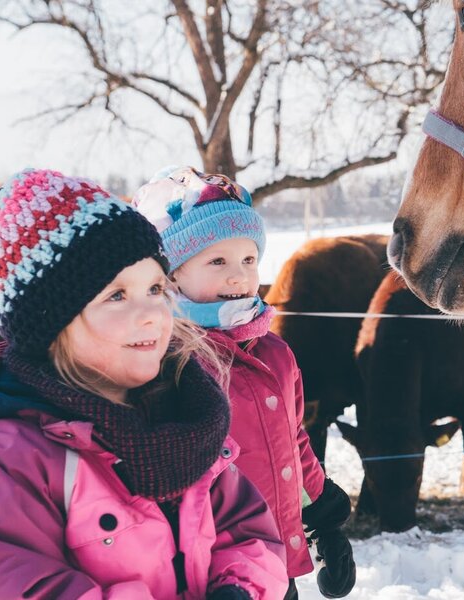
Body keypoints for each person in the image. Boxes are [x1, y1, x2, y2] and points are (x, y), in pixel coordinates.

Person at [0, 168, 289, 599]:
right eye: (116, 295)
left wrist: (239, 587)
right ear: (50, 324)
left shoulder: (188, 419)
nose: (152, 314)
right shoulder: (8, 464)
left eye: (156, 288)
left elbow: (248, 530)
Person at [135, 166, 356, 599]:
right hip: (207, 576)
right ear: (172, 274)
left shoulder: (274, 353)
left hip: (276, 569)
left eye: (248, 259)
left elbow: (292, 443)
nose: (238, 275)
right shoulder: (164, 360)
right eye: (217, 261)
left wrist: (325, 519)